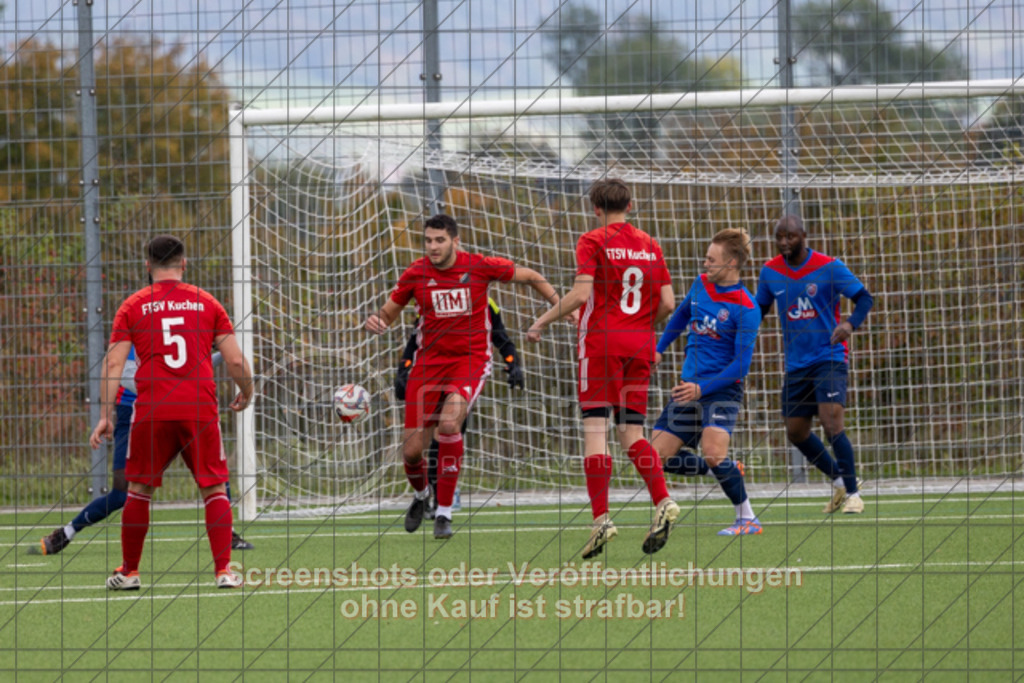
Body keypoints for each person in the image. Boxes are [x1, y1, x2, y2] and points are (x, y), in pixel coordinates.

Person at [365, 214, 558, 540]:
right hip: (428, 365)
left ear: (455, 241)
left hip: (470, 361)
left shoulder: (480, 266)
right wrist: (376, 321)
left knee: (449, 424)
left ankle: (444, 512)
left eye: (440, 240)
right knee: (411, 453)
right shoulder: (415, 273)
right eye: (428, 240)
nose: (433, 246)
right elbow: (387, 313)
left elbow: (531, 275)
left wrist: (561, 305)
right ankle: (421, 494)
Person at [89, 235, 254, 590]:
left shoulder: (133, 305)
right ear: (184, 263)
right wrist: (248, 391)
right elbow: (236, 360)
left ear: (147, 266)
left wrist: (105, 415)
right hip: (199, 409)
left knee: (138, 489)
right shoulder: (207, 302)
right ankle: (224, 572)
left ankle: (130, 572)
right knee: (214, 488)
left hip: (152, 410)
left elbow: (113, 363)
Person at [527, 178, 678, 559]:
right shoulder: (650, 244)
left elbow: (581, 295)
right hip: (640, 345)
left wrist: (541, 321)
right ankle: (663, 500)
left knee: (596, 429)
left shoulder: (592, 240)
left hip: (601, 345)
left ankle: (601, 520)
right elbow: (668, 303)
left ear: (595, 209)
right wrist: (641, 328)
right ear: (630, 205)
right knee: (632, 433)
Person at [39, 346, 254, 555]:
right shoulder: (135, 332)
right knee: (121, 493)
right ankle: (67, 532)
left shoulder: (177, 330)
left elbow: (189, 368)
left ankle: (227, 534)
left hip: (178, 408)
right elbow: (122, 372)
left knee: (213, 473)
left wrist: (219, 353)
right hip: (135, 412)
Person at [755, 215, 874, 514]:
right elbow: (758, 310)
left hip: (828, 356)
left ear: (804, 236)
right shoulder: (770, 272)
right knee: (795, 432)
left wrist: (849, 324)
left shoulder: (829, 266)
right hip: (796, 364)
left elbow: (864, 298)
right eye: (779, 237)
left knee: (831, 421)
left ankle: (854, 494)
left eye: (790, 237)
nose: (784, 242)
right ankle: (839, 481)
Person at [652, 228, 763, 536]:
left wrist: (701, 389)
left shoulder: (747, 307)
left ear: (731, 263)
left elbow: (740, 366)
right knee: (655, 458)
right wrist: (659, 348)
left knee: (714, 452)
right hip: (688, 387)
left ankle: (748, 519)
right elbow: (680, 316)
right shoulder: (700, 285)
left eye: (711, 260)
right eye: (706, 258)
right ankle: (723, 471)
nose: (705, 264)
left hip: (722, 389)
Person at [394, 297, 523, 519]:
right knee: (416, 446)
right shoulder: (435, 297)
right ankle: (425, 496)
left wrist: (513, 363)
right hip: (431, 375)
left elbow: (501, 337)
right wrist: (403, 369)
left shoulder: (485, 301)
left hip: (462, 375)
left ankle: (442, 502)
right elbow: (415, 340)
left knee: (447, 431)